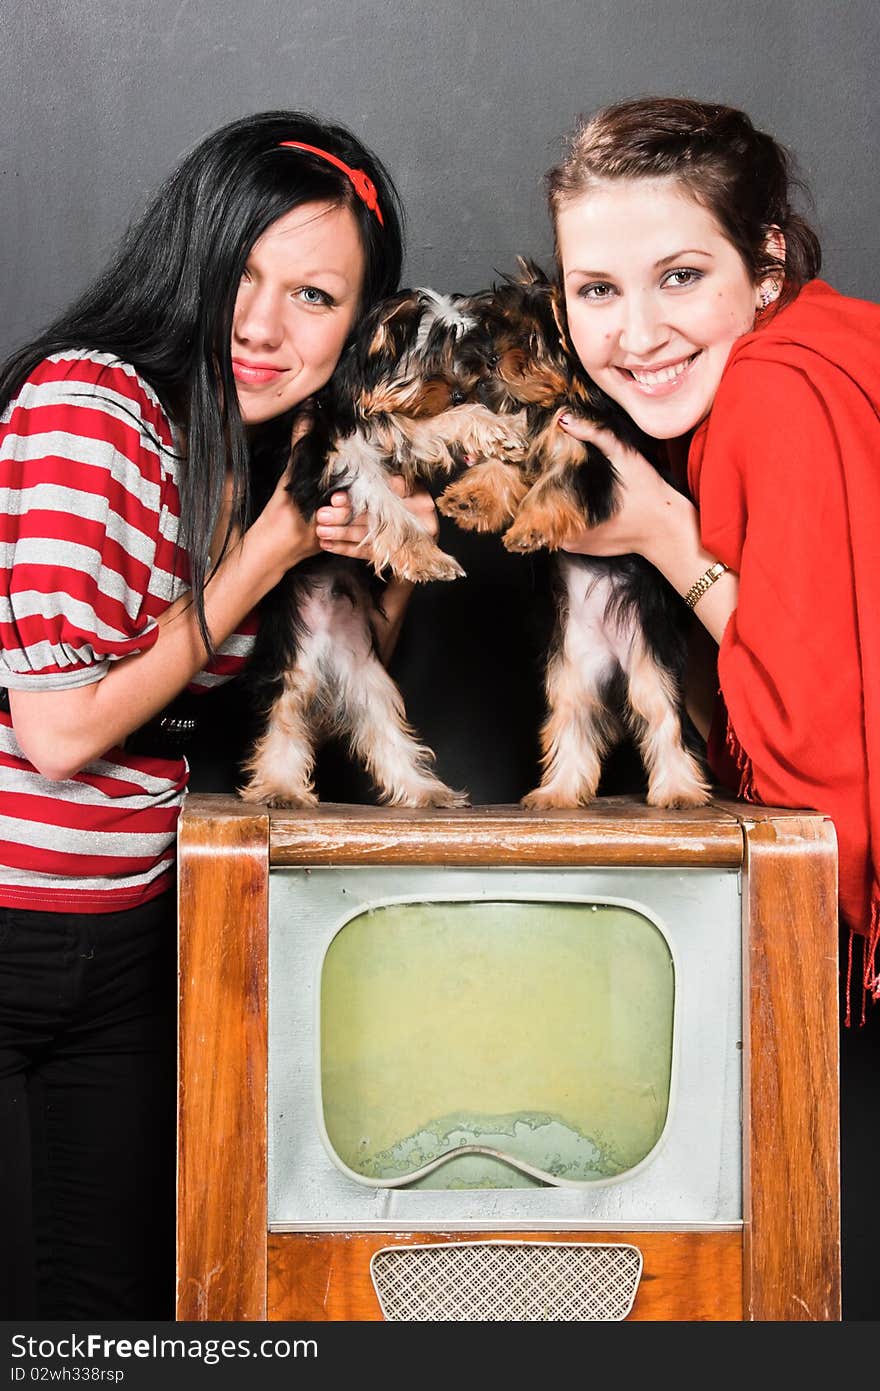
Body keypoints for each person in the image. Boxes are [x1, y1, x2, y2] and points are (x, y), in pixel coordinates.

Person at [0, 108, 435, 1318]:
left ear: (355, 326)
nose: (261, 324)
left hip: (137, 933)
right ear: (190, 250)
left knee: (121, 1308)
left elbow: (341, 686)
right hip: (10, 922)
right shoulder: (90, 400)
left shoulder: (244, 452)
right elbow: (60, 734)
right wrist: (263, 551)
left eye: (313, 297)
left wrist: (388, 551)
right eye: (244, 274)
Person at [543, 96, 880, 1319]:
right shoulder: (842, 344)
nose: (633, 335)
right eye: (597, 290)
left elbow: (823, 729)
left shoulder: (772, 396)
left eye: (680, 275)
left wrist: (673, 544)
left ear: (769, 261)